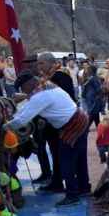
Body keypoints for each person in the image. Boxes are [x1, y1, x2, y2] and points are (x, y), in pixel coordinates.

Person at [6, 71, 90, 207]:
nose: (22, 92)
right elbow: (27, 108)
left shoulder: (40, 96)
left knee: (66, 160)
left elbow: (22, 119)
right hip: (79, 119)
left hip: (73, 125)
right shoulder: (47, 86)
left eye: (22, 88)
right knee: (78, 158)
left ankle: (72, 195)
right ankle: (82, 188)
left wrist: (4, 127)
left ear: (29, 84)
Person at [33, 52, 74, 191]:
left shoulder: (60, 76)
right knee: (55, 153)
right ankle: (56, 181)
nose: (39, 66)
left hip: (61, 123)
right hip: (52, 123)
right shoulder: (49, 77)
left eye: (41, 63)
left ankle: (70, 189)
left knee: (62, 154)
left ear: (51, 63)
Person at [81, 65, 104, 131]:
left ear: (91, 71)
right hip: (91, 98)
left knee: (92, 113)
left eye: (88, 70)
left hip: (94, 99)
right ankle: (98, 126)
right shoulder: (91, 78)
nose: (87, 71)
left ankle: (86, 127)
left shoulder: (94, 79)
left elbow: (98, 89)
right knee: (95, 114)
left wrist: (97, 96)